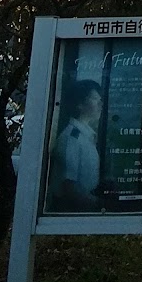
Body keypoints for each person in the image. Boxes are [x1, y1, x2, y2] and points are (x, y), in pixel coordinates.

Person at [47, 79, 103, 212]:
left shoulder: (86, 135)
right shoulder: (71, 139)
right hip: (71, 211)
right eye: (95, 99)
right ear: (79, 104)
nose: (100, 104)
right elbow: (69, 188)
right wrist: (99, 204)